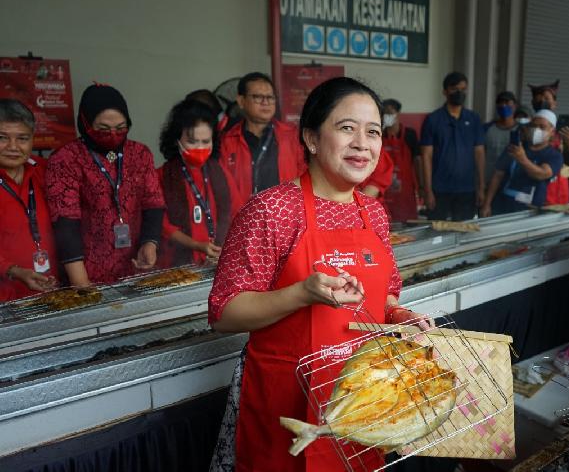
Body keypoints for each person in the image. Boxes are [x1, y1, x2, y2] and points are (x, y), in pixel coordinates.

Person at [208, 77, 430, 471]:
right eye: (347, 128)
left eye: (373, 131)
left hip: (360, 404)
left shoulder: (374, 214)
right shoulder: (272, 210)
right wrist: (302, 294)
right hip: (285, 405)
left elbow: (385, 297)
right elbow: (225, 313)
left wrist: (399, 316)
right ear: (311, 138)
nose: (363, 142)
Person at [46, 83, 165, 286]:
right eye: (103, 129)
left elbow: (153, 203)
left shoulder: (139, 154)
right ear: (85, 123)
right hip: (85, 272)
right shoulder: (66, 159)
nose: (113, 135)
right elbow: (65, 224)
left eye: (120, 128)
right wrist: (81, 283)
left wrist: (150, 242)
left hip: (135, 266)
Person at [156, 99, 241, 267]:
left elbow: (237, 213)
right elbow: (162, 225)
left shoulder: (220, 172)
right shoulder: (161, 176)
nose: (200, 148)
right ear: (176, 140)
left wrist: (225, 248)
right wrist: (197, 246)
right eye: (192, 142)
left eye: (205, 142)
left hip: (216, 262)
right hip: (177, 266)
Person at [219, 72, 305, 206]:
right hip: (244, 219)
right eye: (258, 97)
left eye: (270, 97)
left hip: (284, 217)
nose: (266, 102)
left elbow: (305, 176)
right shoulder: (227, 140)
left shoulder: (292, 135)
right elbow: (224, 187)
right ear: (241, 101)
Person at [0, 99, 58, 300]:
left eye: (22, 138)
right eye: (2, 138)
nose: (13, 147)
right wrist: (14, 271)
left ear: (33, 139)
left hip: (52, 291)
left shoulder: (46, 170)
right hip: (5, 300)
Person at [420, 72, 485, 221]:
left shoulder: (473, 119)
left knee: (463, 234)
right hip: (439, 189)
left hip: (466, 189)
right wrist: (428, 190)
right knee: (436, 234)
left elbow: (479, 154)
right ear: (445, 91)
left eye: (463, 89)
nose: (459, 93)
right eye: (455, 88)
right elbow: (426, 156)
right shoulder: (433, 119)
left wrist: (481, 187)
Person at [481, 109, 563, 216]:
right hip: (502, 206)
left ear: (552, 132)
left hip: (530, 211)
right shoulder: (516, 147)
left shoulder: (554, 155)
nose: (536, 130)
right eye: (534, 125)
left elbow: (542, 174)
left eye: (542, 127)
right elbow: (498, 175)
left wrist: (522, 159)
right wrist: (487, 204)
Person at [528, 80, 569, 205]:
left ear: (555, 103)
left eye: (546, 98)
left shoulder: (564, 128)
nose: (542, 101)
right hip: (538, 183)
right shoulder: (528, 128)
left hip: (559, 182)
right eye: (538, 98)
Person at [380, 98, 420, 222]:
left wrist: (422, 187)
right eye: (384, 113)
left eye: (390, 112)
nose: (388, 116)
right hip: (385, 189)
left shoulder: (409, 134)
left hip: (406, 190)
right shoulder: (379, 135)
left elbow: (418, 161)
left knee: (408, 223)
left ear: (398, 113)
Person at [482, 91, 518, 188]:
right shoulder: (486, 128)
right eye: (500, 102)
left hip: (512, 184)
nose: (503, 105)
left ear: (515, 106)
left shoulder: (522, 130)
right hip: (488, 181)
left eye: (507, 102)